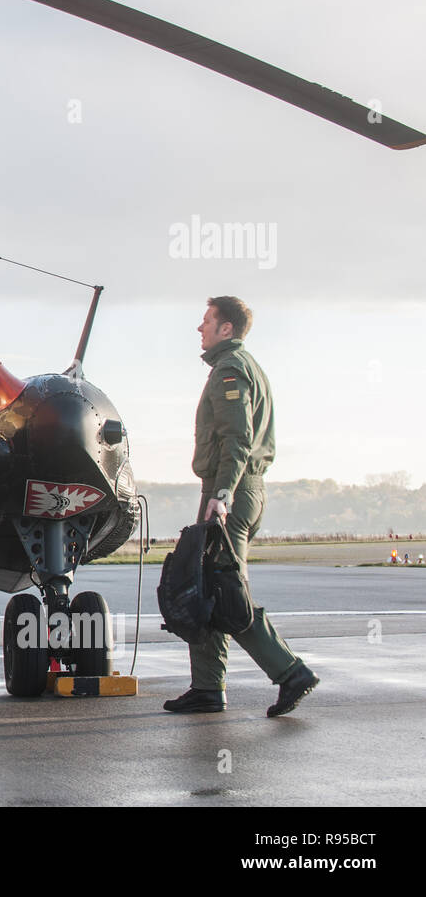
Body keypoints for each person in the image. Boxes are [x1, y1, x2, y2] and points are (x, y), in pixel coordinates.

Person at [164, 296, 320, 717]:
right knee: (208, 587)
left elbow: (238, 438)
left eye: (206, 321)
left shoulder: (230, 370)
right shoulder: (240, 366)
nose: (200, 329)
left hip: (228, 491)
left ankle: (290, 672)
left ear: (226, 328)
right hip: (233, 489)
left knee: (228, 594)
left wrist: (223, 494)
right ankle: (207, 688)